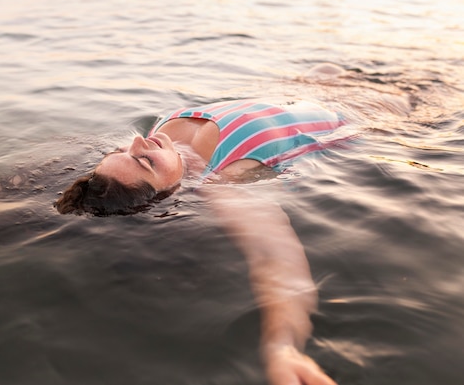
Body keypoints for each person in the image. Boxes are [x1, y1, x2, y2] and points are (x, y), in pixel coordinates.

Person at [56, 97, 346, 385]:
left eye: (118, 150)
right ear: (169, 192)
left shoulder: (158, 137)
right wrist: (282, 347)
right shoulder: (223, 183)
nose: (137, 142)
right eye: (145, 161)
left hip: (310, 90)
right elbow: (271, 255)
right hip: (360, 117)